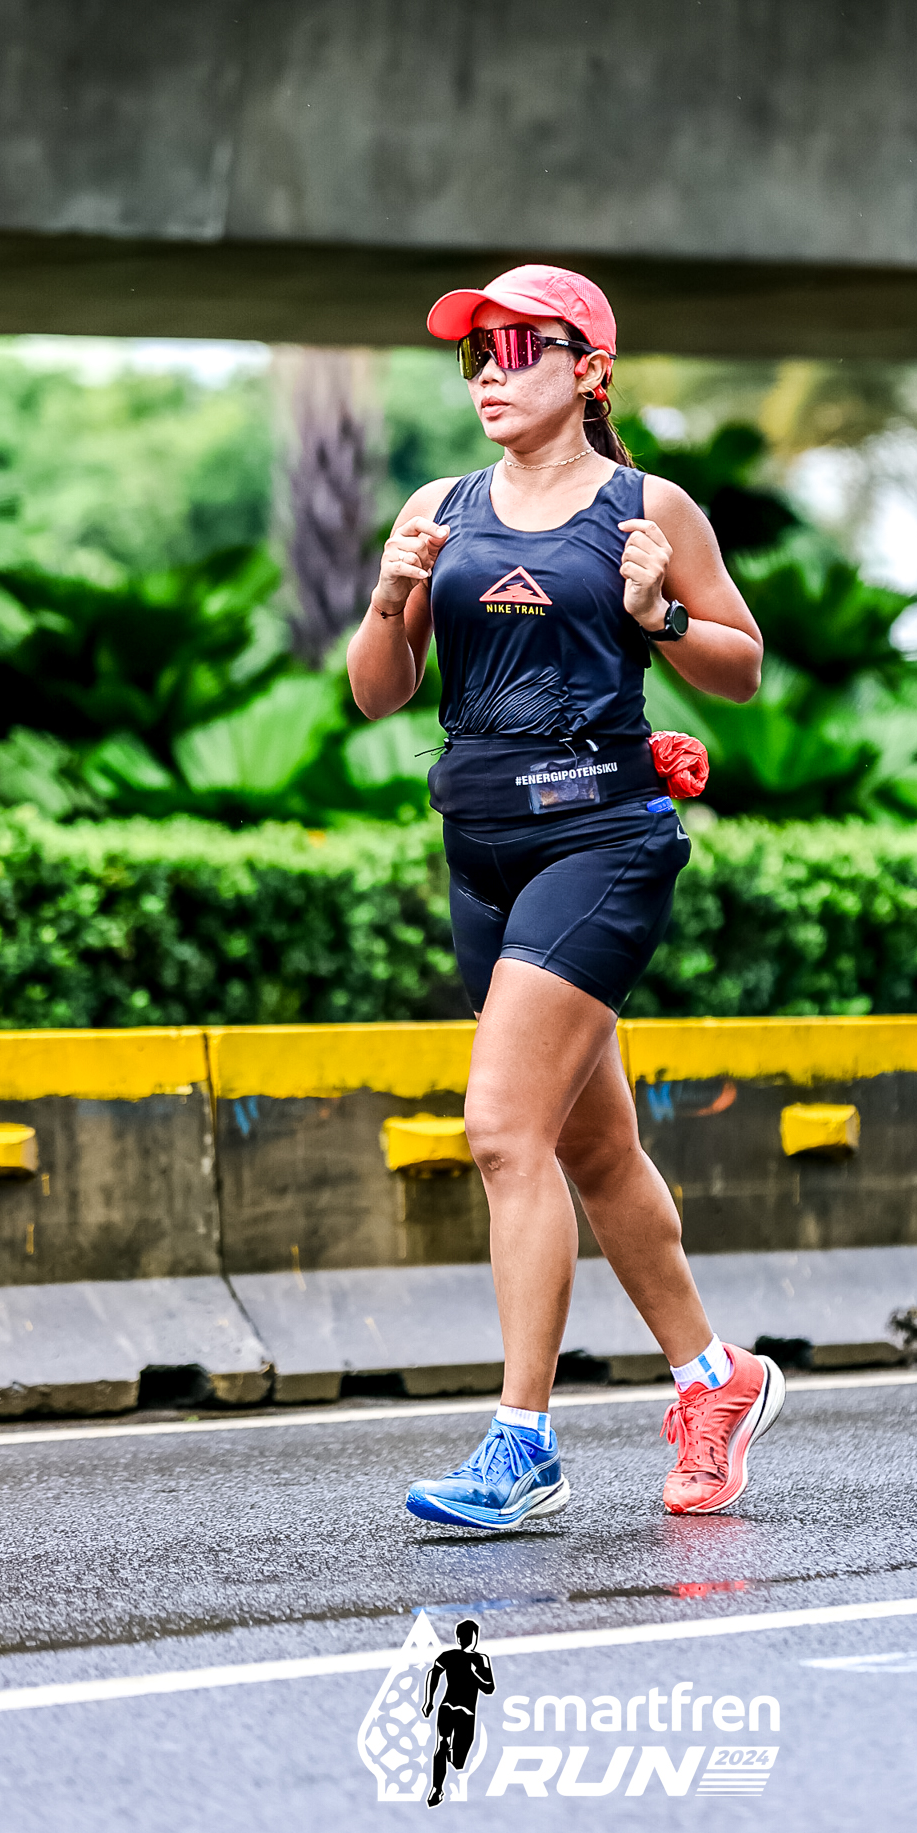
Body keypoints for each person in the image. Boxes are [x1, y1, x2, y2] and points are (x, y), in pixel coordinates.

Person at [347, 264, 785, 1533]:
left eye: (516, 350)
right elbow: (376, 693)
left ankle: (521, 1442)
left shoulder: (648, 508)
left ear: (588, 370)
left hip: (599, 841)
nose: (488, 376)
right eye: (472, 355)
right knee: (591, 1147)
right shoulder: (439, 508)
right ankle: (713, 1380)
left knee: (502, 1133)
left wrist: (658, 615)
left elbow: (742, 668)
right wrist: (389, 593)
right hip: (478, 851)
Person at [421, 1618, 495, 1807]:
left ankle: (448, 1758)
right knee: (442, 1744)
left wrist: (473, 1674)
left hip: (460, 1711)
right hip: (452, 1708)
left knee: (458, 1760)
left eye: (471, 1636)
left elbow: (489, 1688)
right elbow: (433, 1674)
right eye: (467, 1636)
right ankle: (437, 1788)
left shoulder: (480, 1659)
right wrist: (429, 1700)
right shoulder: (451, 1656)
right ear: (460, 1638)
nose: (469, 1639)